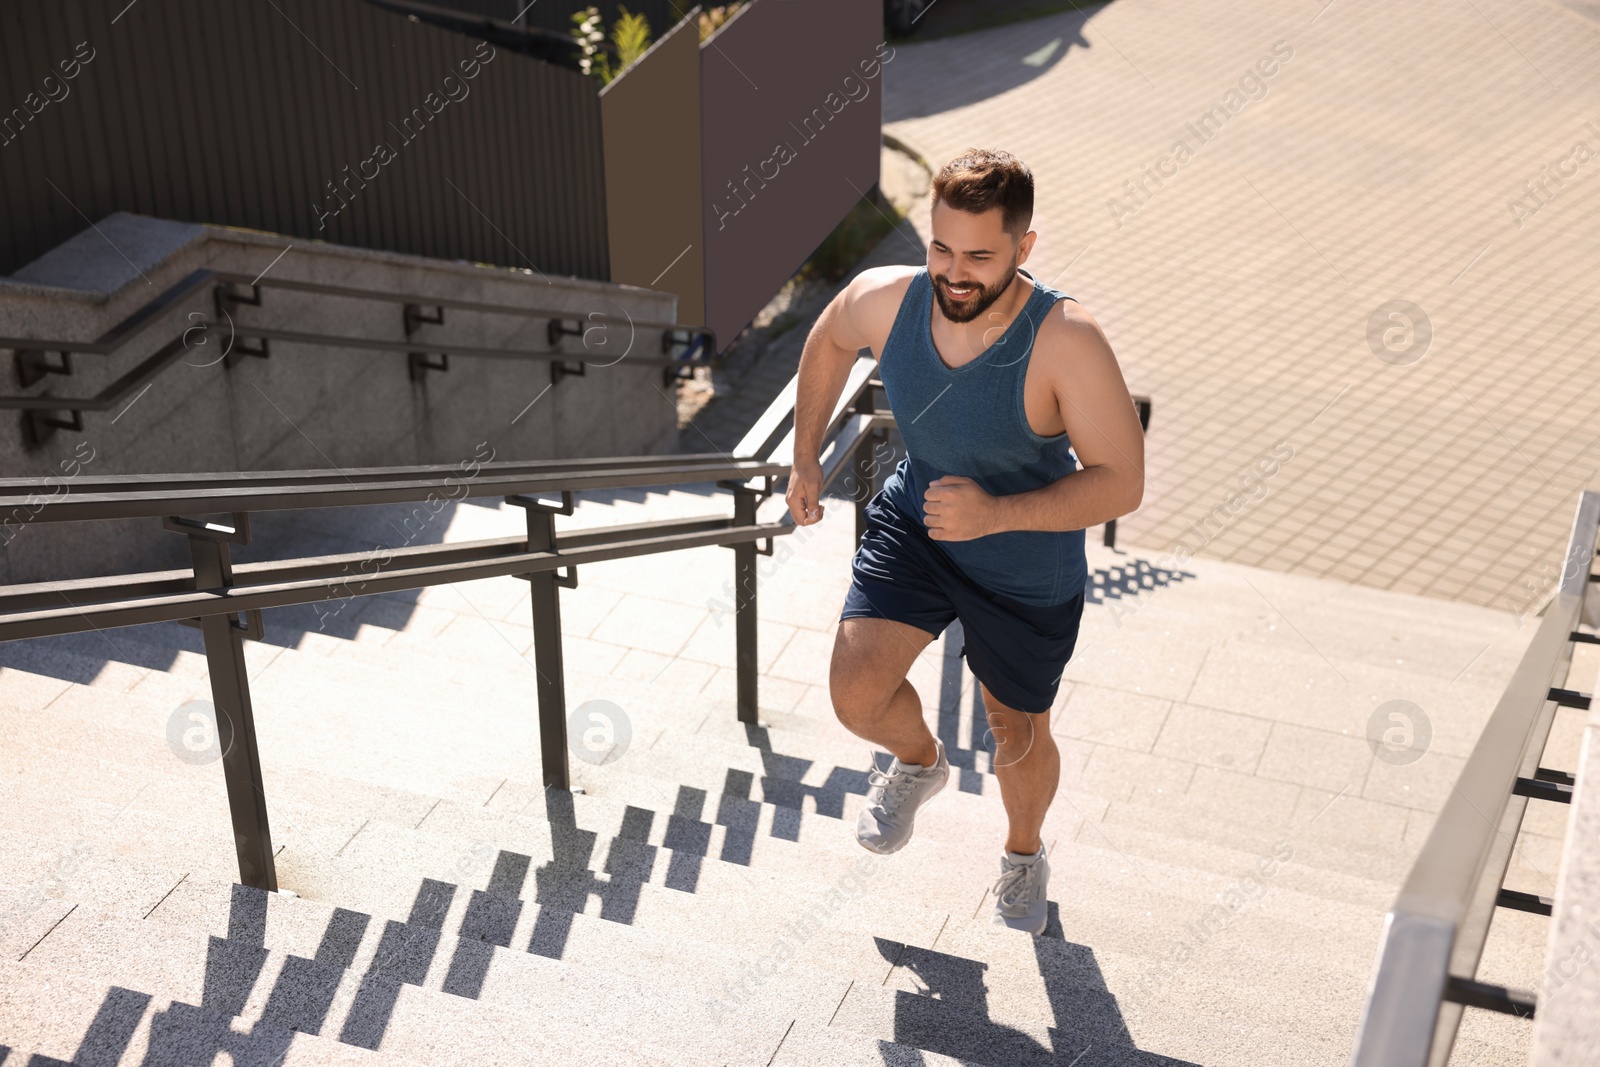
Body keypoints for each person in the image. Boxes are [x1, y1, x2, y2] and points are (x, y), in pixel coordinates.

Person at [784, 147, 1144, 935]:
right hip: (922, 524)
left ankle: (1022, 854)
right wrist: (807, 452)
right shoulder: (892, 300)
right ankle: (917, 760)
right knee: (855, 690)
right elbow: (829, 333)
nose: (955, 272)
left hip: (1023, 562)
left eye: (980, 255)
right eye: (941, 248)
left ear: (1024, 247)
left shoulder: (1066, 339)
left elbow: (1121, 482)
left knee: (1013, 730)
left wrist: (996, 513)